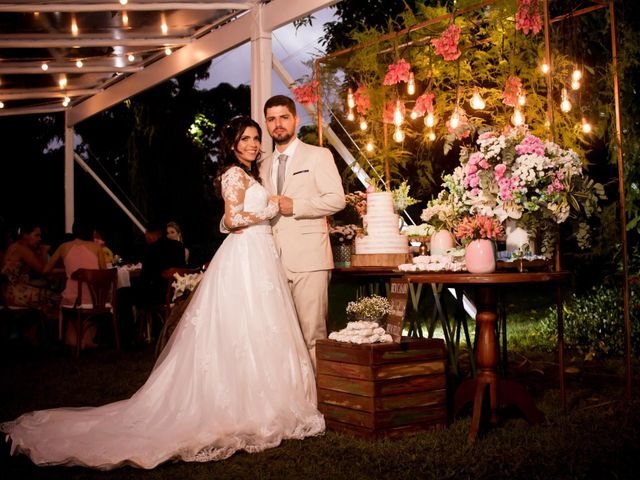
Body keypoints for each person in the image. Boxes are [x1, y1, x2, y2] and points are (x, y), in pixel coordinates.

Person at [0, 116, 324, 469]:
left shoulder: (249, 174)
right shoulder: (233, 174)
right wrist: (271, 207)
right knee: (242, 325)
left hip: (260, 255)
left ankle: (268, 397)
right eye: (245, 138)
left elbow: (235, 216)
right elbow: (231, 219)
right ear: (232, 145)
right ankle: (245, 402)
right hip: (246, 254)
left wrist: (263, 209)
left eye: (254, 138)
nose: (251, 144)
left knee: (261, 327)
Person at [259, 95, 346, 370]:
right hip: (273, 261)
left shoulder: (318, 155)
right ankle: (297, 398)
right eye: (271, 119)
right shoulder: (262, 166)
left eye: (284, 117)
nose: (278, 124)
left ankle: (321, 402)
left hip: (310, 259)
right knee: (282, 337)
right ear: (267, 124)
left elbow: (337, 199)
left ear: (296, 119)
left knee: (313, 335)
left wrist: (295, 205)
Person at [44, 222, 106, 349]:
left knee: (62, 298)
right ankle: (94, 338)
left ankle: (72, 339)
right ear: (91, 233)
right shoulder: (97, 248)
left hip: (73, 299)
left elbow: (46, 270)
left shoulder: (63, 247)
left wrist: (67, 271)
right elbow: (103, 274)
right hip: (95, 299)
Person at [0, 222, 59, 318]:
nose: (40, 239)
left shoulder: (15, 246)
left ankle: (36, 330)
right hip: (14, 294)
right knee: (57, 298)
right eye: (36, 235)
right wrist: (44, 252)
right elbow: (44, 270)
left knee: (47, 293)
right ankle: (61, 331)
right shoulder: (21, 249)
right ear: (25, 235)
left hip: (8, 293)